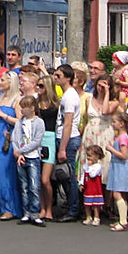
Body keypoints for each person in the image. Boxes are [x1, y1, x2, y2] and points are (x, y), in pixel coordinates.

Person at [0, 71, 21, 220]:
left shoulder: (17, 100)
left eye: (2, 80)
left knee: (4, 172)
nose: (0, 83)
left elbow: (20, 121)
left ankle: (9, 207)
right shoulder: (0, 98)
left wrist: (4, 115)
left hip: (7, 139)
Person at [80, 75, 120, 194]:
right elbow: (86, 119)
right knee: (89, 165)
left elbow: (105, 111)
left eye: (105, 85)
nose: (101, 88)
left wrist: (107, 93)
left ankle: (106, 200)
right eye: (99, 85)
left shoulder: (114, 102)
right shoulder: (89, 99)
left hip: (105, 134)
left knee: (105, 167)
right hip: (90, 134)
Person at [53, 64, 82, 222]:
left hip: (68, 139)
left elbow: (68, 123)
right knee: (64, 175)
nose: (55, 78)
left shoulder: (70, 96)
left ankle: (73, 210)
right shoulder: (67, 94)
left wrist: (62, 148)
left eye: (59, 76)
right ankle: (71, 206)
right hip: (64, 137)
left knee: (68, 175)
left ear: (68, 78)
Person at [12, 95, 46, 227]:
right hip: (21, 158)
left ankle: (35, 213)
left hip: (33, 157)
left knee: (34, 186)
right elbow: (15, 139)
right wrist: (18, 153)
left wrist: (22, 150)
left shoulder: (39, 122)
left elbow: (37, 141)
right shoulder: (19, 123)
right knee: (24, 186)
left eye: (24, 107)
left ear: (32, 108)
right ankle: (26, 213)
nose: (21, 110)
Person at [36, 75, 60, 221]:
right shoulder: (36, 103)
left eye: (41, 86)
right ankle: (42, 208)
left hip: (50, 138)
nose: (38, 88)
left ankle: (49, 208)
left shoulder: (56, 105)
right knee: (39, 179)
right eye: (38, 85)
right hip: (37, 139)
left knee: (46, 179)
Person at [105, 111, 128, 231]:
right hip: (117, 167)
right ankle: (123, 218)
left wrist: (111, 149)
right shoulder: (122, 137)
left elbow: (124, 155)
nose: (112, 124)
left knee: (116, 194)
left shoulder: (123, 138)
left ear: (122, 124)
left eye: (114, 122)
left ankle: (123, 222)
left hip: (121, 167)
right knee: (121, 194)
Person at [80, 145, 105, 226]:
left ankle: (96, 217)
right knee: (87, 204)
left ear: (97, 156)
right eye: (87, 155)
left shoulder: (98, 166)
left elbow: (92, 174)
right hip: (88, 188)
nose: (88, 158)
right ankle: (88, 217)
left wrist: (89, 167)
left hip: (95, 189)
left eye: (90, 156)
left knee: (95, 204)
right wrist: (81, 183)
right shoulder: (86, 166)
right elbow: (83, 175)